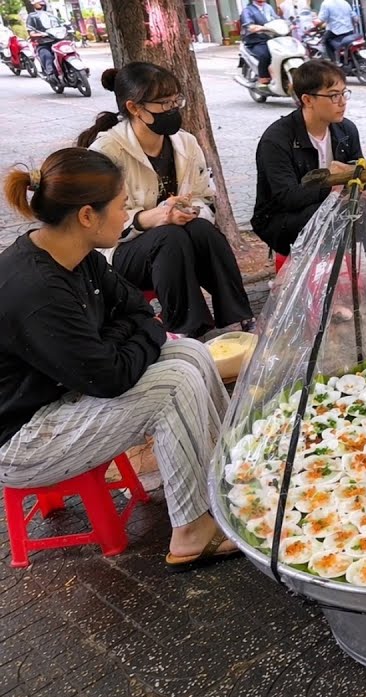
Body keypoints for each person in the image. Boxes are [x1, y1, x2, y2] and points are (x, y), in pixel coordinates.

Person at [0, 148, 239, 571]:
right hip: (24, 439)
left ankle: (230, 477)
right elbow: (111, 375)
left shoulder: (82, 257)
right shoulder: (36, 289)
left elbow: (138, 311)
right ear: (87, 215)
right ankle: (190, 532)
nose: (127, 215)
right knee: (174, 383)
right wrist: (128, 336)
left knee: (189, 350)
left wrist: (121, 337)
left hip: (68, 390)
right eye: (122, 206)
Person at [76, 63, 255, 338]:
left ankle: (237, 315)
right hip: (121, 253)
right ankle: (184, 327)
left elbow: (205, 196)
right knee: (169, 236)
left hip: (177, 242)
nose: (173, 109)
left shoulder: (186, 143)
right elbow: (100, 225)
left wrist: (191, 211)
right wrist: (156, 217)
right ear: (135, 108)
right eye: (164, 103)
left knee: (203, 230)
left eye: (176, 101)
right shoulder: (107, 151)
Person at [252, 60, 366, 257]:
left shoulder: (346, 130)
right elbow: (287, 197)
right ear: (307, 100)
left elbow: (359, 173)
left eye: (344, 93)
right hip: (281, 219)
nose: (342, 102)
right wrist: (333, 184)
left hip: (335, 205)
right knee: (343, 212)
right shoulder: (277, 139)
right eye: (333, 95)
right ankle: (323, 273)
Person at [240, 0, 281, 89]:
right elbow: (248, 25)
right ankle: (263, 78)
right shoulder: (247, 10)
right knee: (265, 54)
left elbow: (277, 19)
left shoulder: (269, 8)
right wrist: (255, 27)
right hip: (256, 41)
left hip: (272, 39)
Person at [25, 0, 60, 81]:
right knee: (47, 55)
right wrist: (40, 34)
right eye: (39, 2)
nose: (41, 4)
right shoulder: (32, 16)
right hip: (43, 43)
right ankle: (50, 73)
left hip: (57, 40)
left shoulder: (51, 15)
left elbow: (61, 25)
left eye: (42, 2)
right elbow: (31, 32)